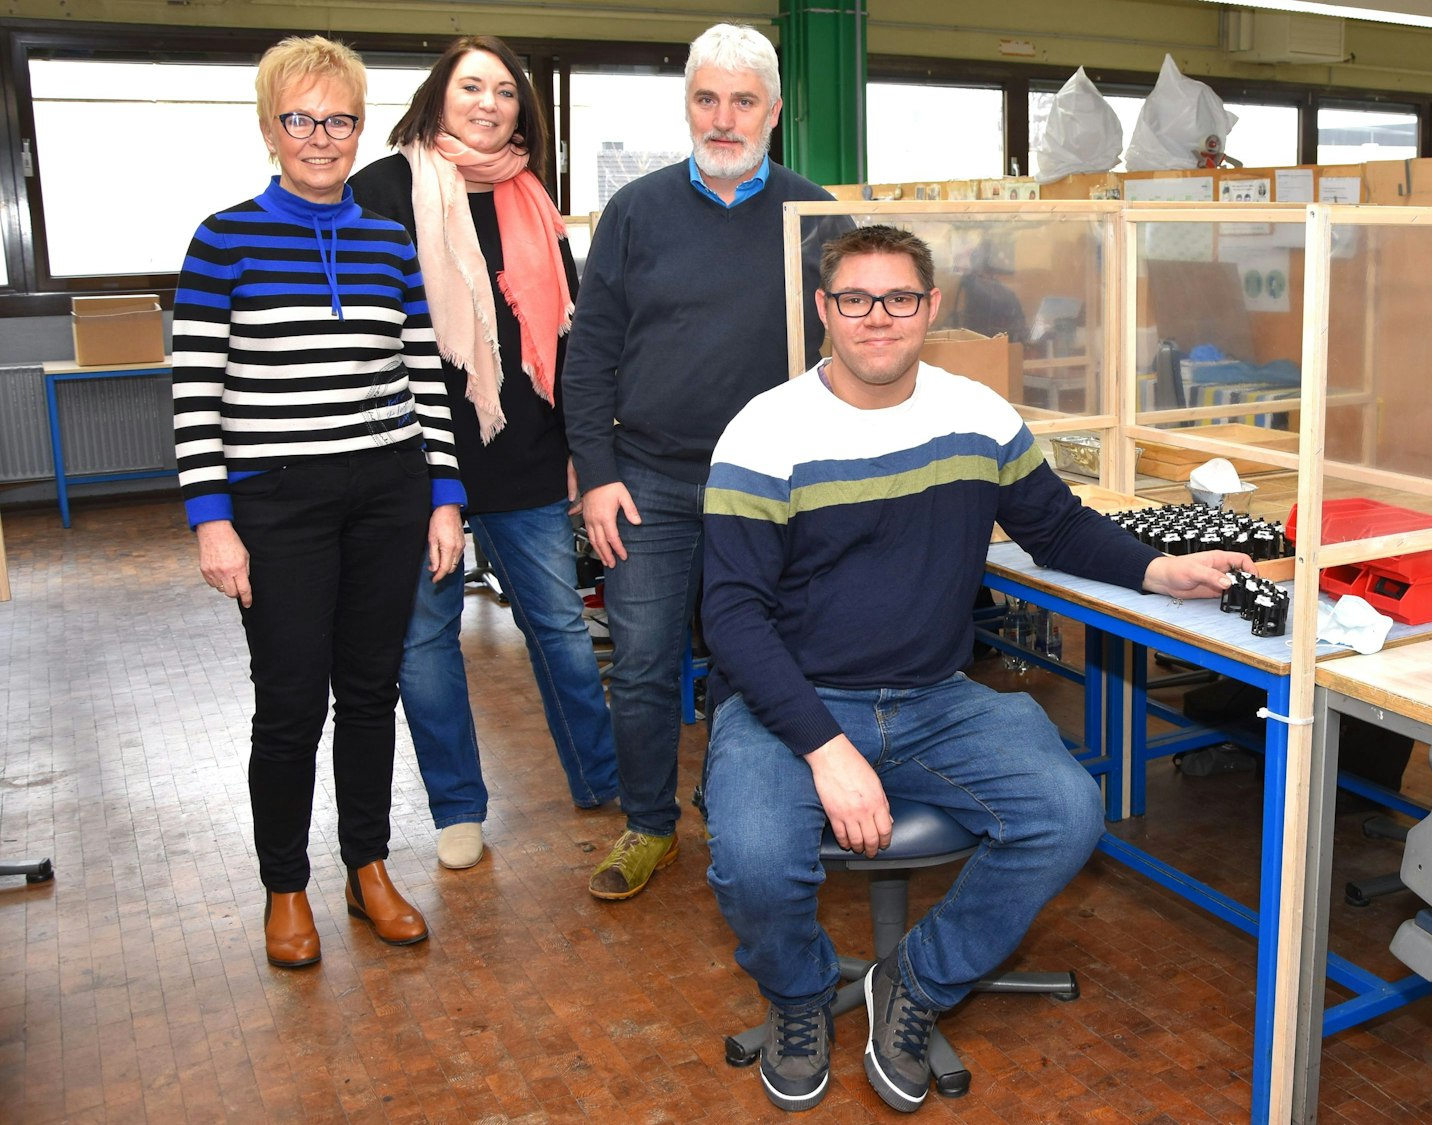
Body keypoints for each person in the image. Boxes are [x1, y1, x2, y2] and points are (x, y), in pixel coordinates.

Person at [700, 225, 1251, 1113]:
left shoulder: (979, 416)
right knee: (757, 862)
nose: (878, 319)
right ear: (823, 310)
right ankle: (799, 994)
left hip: (932, 698)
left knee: (1068, 811)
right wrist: (824, 747)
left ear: (931, 306)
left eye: (900, 299)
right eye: (855, 299)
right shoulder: (765, 431)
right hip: (793, 700)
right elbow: (729, 614)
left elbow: (1058, 527)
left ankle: (915, 981)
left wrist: (1160, 571)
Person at [172, 35, 463, 969]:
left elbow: (422, 371)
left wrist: (444, 495)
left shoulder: (386, 240)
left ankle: (368, 865)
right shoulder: (223, 239)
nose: (322, 137)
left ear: (357, 127)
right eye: (301, 119)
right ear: (270, 129)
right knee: (291, 702)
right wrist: (211, 519)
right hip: (278, 503)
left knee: (371, 691)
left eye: (339, 119)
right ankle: (285, 884)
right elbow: (193, 394)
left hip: (387, 491)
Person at [562, 22, 834, 901]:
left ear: (775, 112)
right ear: (688, 105)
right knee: (641, 661)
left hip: (769, 488)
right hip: (647, 482)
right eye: (706, 99)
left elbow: (856, 354)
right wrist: (596, 473)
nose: (723, 119)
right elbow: (591, 350)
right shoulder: (635, 212)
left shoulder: (815, 216)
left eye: (743, 102)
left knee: (753, 660)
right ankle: (648, 826)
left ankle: (739, 810)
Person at [349, 36, 615, 872]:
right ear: (440, 95)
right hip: (414, 461)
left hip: (526, 455)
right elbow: (364, 339)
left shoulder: (532, 197)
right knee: (424, 645)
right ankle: (457, 808)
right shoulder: (382, 190)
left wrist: (578, 446)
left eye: (505, 90)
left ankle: (601, 780)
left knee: (563, 632)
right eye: (471, 86)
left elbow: (566, 338)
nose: (489, 102)